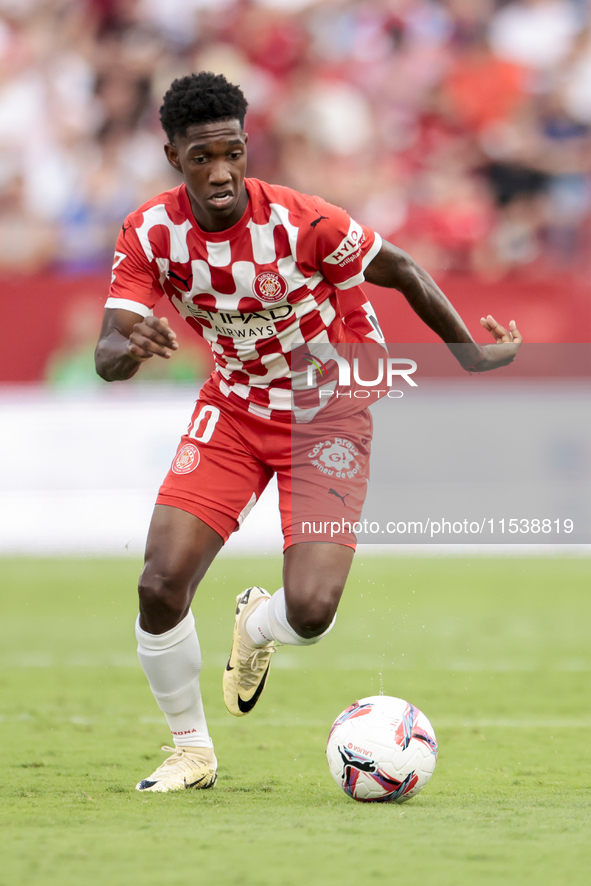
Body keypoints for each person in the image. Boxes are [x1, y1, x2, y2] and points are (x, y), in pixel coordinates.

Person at [94, 72, 522, 793]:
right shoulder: (149, 231)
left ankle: (257, 625)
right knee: (160, 585)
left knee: (313, 612)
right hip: (233, 410)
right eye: (202, 157)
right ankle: (191, 753)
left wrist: (470, 353)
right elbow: (110, 351)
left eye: (232, 152)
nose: (221, 171)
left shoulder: (302, 220)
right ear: (174, 157)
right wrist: (126, 349)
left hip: (330, 411)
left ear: (247, 146)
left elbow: (404, 270)